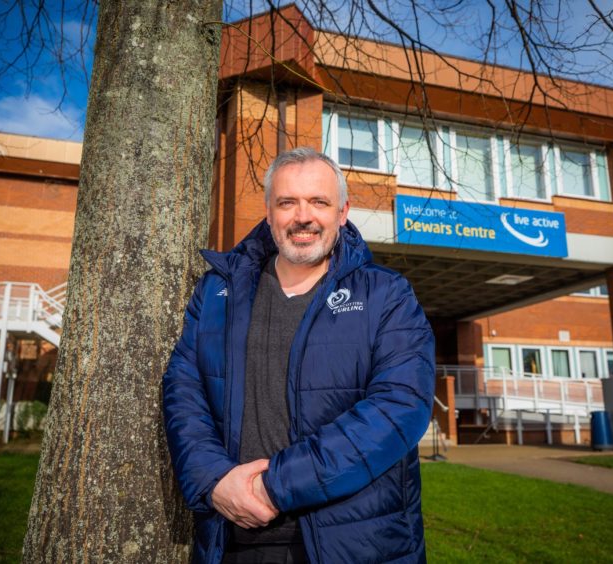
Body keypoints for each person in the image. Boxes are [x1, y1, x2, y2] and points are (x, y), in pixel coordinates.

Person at [162, 147, 435, 563]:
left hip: (352, 544)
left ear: (342, 213)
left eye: (319, 202)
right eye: (287, 202)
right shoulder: (218, 292)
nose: (303, 216)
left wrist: (274, 486)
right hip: (229, 538)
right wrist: (214, 480)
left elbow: (400, 408)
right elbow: (184, 391)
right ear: (269, 213)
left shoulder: (386, 295)